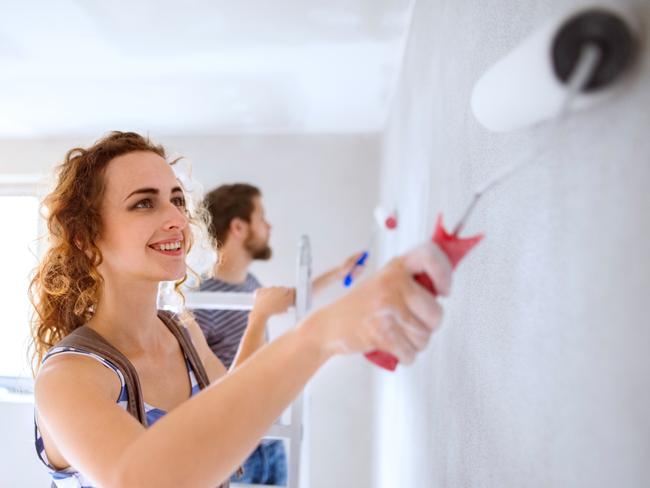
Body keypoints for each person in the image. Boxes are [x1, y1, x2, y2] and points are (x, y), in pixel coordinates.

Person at [30, 131, 452, 488]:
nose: (177, 218)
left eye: (177, 199)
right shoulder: (68, 377)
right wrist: (318, 336)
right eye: (144, 202)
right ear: (86, 238)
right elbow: (141, 478)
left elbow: (235, 402)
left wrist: (336, 335)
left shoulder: (183, 332)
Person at [195, 183, 366, 485]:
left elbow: (290, 298)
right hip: (236, 455)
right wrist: (259, 317)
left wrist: (339, 273)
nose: (269, 225)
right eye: (261, 217)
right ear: (238, 227)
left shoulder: (249, 283)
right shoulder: (201, 302)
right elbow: (216, 393)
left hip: (271, 441)